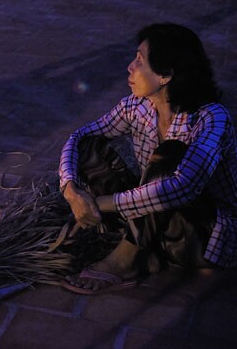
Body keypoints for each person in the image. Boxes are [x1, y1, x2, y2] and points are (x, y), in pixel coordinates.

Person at [59, 23, 237, 294]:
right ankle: (146, 250)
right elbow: (79, 137)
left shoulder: (211, 118)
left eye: (140, 61)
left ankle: (125, 261)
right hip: (155, 221)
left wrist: (98, 203)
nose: (130, 67)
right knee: (89, 146)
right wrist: (71, 190)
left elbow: (181, 188)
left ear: (165, 75)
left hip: (201, 237)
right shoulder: (136, 105)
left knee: (170, 156)